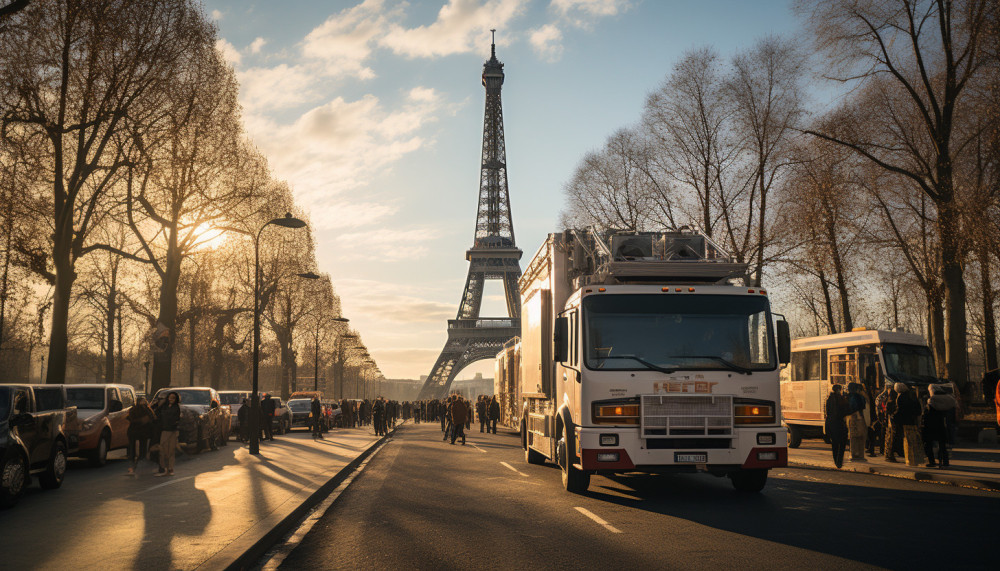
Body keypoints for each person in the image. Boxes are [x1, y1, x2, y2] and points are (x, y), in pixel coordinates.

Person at [923, 384, 956, 468]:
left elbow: (928, 414)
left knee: (928, 444)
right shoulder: (947, 399)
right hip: (943, 425)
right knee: (942, 445)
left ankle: (932, 461)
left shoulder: (932, 400)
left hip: (931, 426)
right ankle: (944, 462)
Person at [891, 383, 922, 465]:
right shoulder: (912, 395)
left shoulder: (901, 397)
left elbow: (900, 410)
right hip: (912, 420)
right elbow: (918, 408)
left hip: (903, 420)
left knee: (901, 437)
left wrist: (893, 416)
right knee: (911, 438)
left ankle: (899, 453)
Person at [126, 396, 156, 475]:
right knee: (133, 450)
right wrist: (142, 420)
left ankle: (137, 467)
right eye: (141, 402)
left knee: (142, 449)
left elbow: (152, 418)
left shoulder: (147, 410)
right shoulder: (133, 409)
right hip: (135, 432)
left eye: (144, 402)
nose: (143, 403)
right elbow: (132, 419)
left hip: (143, 433)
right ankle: (132, 468)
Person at [157, 391, 181, 477]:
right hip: (164, 430)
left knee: (171, 450)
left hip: (172, 431)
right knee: (163, 449)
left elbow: (176, 419)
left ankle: (170, 468)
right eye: (170, 397)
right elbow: (157, 414)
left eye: (173, 398)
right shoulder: (164, 406)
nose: (171, 399)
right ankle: (165, 468)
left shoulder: (176, 408)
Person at [825, 384, 849, 468]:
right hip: (839, 423)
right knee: (842, 444)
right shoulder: (841, 399)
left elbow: (827, 412)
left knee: (835, 444)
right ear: (839, 390)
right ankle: (839, 461)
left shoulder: (829, 399)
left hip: (831, 423)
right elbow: (845, 410)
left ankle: (836, 461)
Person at [846, 383, 868, 462]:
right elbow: (859, 407)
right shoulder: (859, 397)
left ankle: (853, 453)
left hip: (851, 418)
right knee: (861, 436)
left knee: (853, 437)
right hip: (859, 417)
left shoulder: (848, 396)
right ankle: (860, 454)